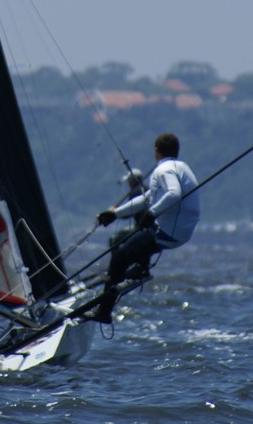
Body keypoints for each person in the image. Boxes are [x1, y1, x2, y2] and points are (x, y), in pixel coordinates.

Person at [83, 132, 200, 324]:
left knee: (120, 255)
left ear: (156, 151)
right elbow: (146, 199)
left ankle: (103, 310)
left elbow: (174, 194)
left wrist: (152, 213)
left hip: (167, 232)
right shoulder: (181, 167)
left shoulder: (164, 171)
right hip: (181, 232)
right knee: (126, 240)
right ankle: (139, 267)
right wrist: (114, 214)